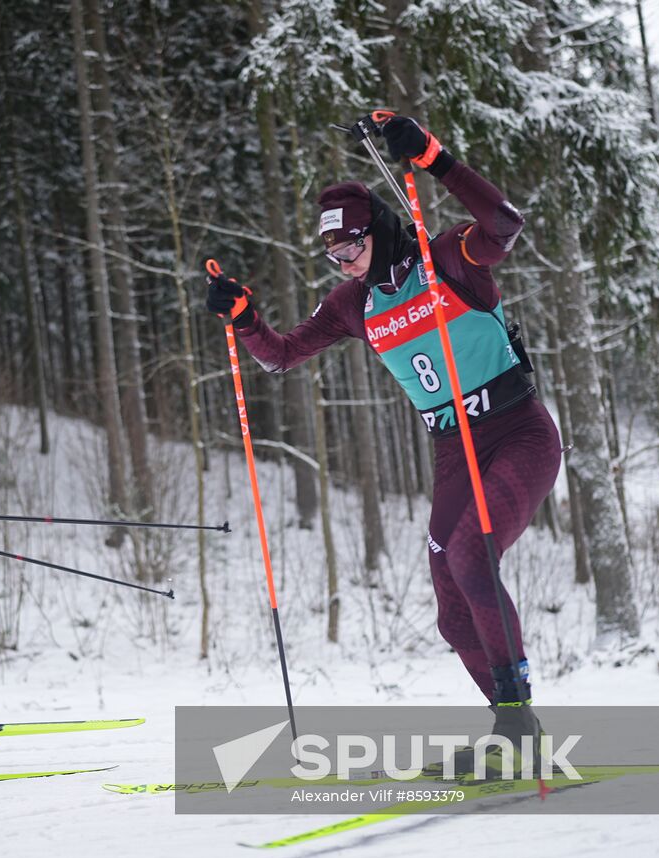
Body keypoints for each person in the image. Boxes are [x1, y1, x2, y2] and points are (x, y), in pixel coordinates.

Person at [206, 115, 561, 770]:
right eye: (332, 255)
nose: (343, 261)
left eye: (351, 247)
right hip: (454, 449)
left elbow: (505, 224)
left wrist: (432, 157)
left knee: (473, 557)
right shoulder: (351, 304)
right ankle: (510, 731)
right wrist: (245, 319)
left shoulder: (449, 257)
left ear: (379, 230)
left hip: (517, 431)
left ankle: (519, 728)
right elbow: (281, 355)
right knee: (452, 614)